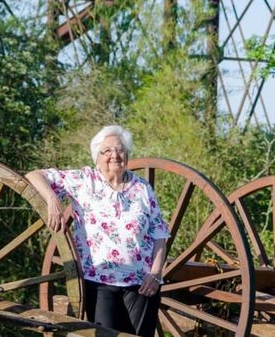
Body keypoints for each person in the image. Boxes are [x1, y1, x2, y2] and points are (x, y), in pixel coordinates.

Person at [26, 125, 169, 337]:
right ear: (96, 157)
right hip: (100, 282)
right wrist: (52, 199)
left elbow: (159, 235)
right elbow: (34, 175)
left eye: (120, 150)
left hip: (142, 284)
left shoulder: (142, 188)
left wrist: (155, 274)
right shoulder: (83, 181)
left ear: (127, 155)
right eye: (107, 151)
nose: (114, 155)